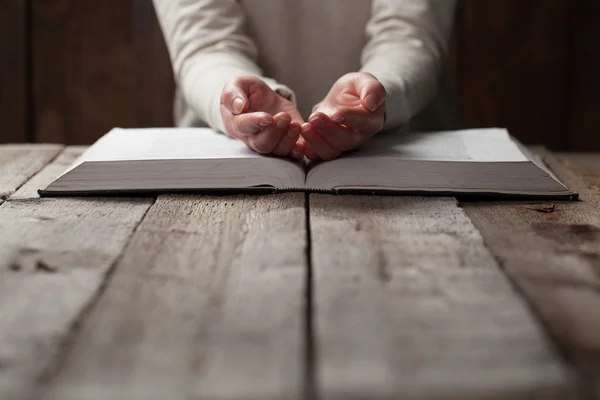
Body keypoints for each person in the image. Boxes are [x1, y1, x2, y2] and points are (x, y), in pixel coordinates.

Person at [153, 0, 459, 161]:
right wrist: (238, 103)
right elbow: (204, 43)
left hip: (406, 160)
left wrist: (376, 95)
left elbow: (410, 33)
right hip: (224, 166)